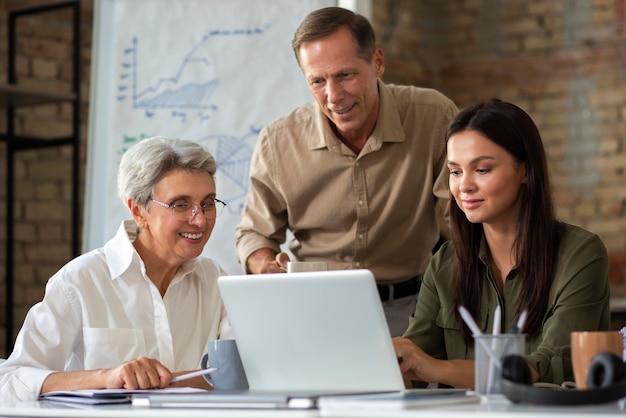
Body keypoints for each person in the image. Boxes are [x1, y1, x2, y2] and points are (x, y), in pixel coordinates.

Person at [234, 6, 458, 337]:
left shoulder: (433, 116)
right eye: (318, 81)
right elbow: (253, 233)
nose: (333, 96)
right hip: (312, 308)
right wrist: (264, 265)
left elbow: (464, 213)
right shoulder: (279, 141)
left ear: (377, 63)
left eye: (345, 75)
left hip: (412, 309)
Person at [393, 99, 610, 388]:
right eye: (455, 171)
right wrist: (392, 362)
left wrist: (434, 369)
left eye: (481, 170)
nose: (464, 185)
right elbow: (413, 362)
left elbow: (542, 367)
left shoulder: (581, 254)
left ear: (525, 171)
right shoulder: (445, 261)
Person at [0, 136, 232, 401]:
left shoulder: (216, 281)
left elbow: (243, 372)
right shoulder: (79, 281)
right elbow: (10, 379)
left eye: (208, 203)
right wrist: (107, 377)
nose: (200, 219)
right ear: (138, 211)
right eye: (181, 205)